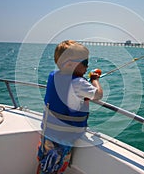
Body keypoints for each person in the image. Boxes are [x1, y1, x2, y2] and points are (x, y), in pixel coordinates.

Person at [37, 40, 103, 174]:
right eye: (84, 63)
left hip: (48, 133)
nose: (87, 66)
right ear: (70, 64)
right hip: (63, 139)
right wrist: (95, 80)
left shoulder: (54, 76)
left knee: (45, 164)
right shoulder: (78, 83)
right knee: (56, 168)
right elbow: (98, 95)